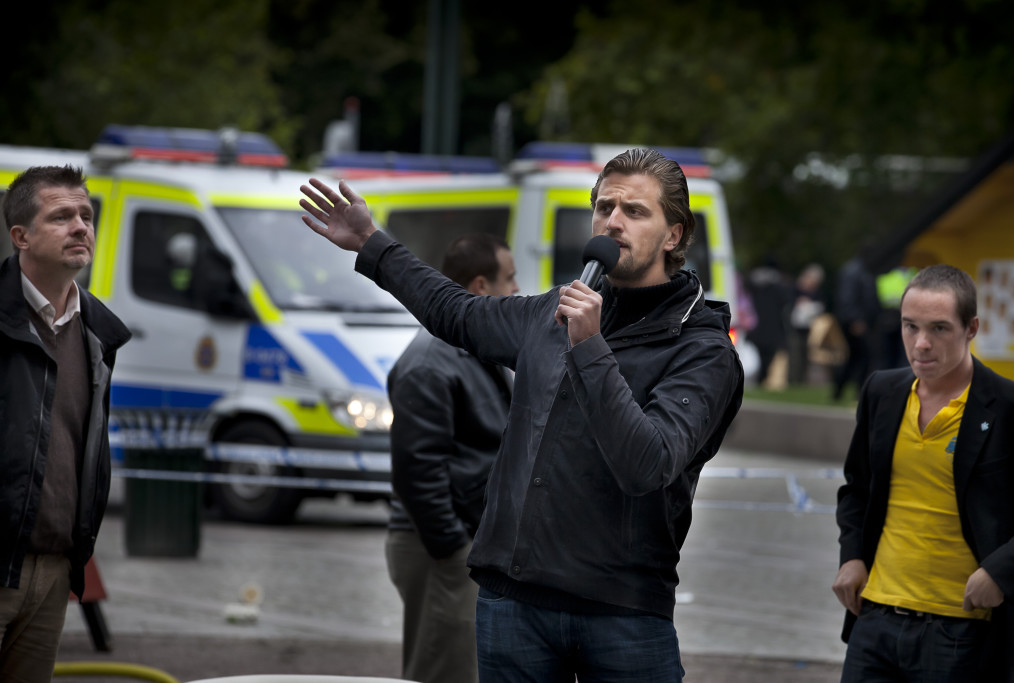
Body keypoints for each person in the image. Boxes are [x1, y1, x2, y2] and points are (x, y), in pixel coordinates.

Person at [300, 147, 744, 681]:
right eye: (604, 208)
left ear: (674, 235)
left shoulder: (702, 349)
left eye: (635, 211)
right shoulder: (554, 311)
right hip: (515, 604)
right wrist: (373, 245)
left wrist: (591, 348)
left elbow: (646, 464)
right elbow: (458, 313)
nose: (614, 222)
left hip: (622, 611)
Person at [832, 264, 1014, 682]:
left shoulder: (1011, 407)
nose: (921, 344)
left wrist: (1001, 572)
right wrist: (852, 557)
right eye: (910, 327)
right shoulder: (881, 391)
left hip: (965, 628)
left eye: (939, 329)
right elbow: (857, 491)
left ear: (971, 328)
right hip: (876, 618)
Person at [0, 165, 131, 681]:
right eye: (61, 216)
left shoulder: (97, 333)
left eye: (85, 215)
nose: (81, 226)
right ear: (21, 236)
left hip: (54, 571)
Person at [385, 233, 518, 683]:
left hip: (462, 544)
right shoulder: (429, 363)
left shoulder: (480, 349)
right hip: (440, 547)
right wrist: (451, 548)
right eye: (511, 278)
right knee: (444, 668)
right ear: (481, 286)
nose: (517, 290)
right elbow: (416, 470)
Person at [832, 248, 881, 401]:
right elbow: (847, 298)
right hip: (856, 322)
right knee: (860, 357)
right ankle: (852, 391)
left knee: (856, 358)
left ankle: (845, 391)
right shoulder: (854, 272)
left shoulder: (859, 270)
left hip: (860, 321)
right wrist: (855, 320)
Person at [745, 255, 793, 389]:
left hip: (754, 325)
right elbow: (786, 304)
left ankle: (755, 379)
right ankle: (762, 379)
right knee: (768, 357)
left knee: (755, 355)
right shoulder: (780, 285)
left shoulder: (751, 281)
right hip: (773, 326)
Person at [788, 262, 826, 385]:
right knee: (795, 355)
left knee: (806, 356)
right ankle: (793, 381)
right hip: (795, 328)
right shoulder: (794, 290)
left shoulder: (817, 293)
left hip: (811, 329)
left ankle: (802, 381)